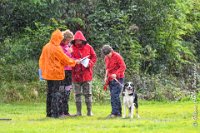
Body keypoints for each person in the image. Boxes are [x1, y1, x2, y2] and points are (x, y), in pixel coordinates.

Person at [39, 29, 80, 118]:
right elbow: (64, 59)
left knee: (49, 93)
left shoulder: (46, 46)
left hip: (47, 74)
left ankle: (49, 113)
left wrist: (42, 71)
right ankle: (56, 114)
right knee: (56, 93)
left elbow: (41, 59)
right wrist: (74, 62)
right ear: (58, 38)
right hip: (56, 74)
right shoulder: (56, 48)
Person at [71, 30, 97, 116]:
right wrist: (75, 61)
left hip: (86, 74)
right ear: (74, 40)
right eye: (76, 40)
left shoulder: (89, 47)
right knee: (77, 94)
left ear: (83, 40)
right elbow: (68, 58)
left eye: (79, 40)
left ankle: (89, 112)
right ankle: (79, 112)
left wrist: (89, 64)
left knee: (88, 94)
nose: (78, 41)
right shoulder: (71, 48)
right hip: (75, 74)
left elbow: (94, 57)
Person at [101, 45, 126, 118]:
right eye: (106, 54)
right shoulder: (106, 58)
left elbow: (123, 66)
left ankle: (115, 113)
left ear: (111, 51)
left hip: (118, 78)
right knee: (113, 95)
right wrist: (105, 77)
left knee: (115, 95)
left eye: (108, 54)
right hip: (110, 79)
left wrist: (116, 73)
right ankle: (117, 113)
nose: (108, 56)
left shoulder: (117, 56)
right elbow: (107, 68)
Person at [59, 30, 74, 116]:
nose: (69, 42)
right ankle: (60, 111)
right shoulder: (59, 47)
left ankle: (66, 111)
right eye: (68, 40)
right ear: (64, 39)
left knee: (67, 91)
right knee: (61, 90)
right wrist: (69, 52)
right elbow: (63, 58)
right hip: (62, 71)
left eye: (70, 40)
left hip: (69, 70)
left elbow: (70, 58)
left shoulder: (68, 46)